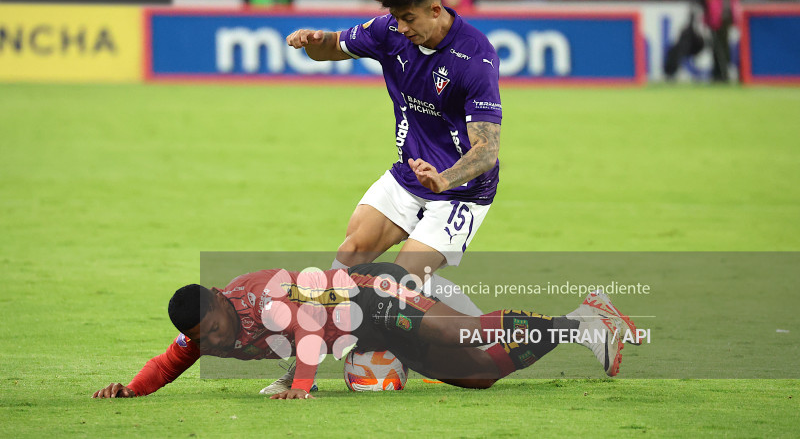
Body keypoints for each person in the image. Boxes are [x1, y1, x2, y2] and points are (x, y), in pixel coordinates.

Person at [281, 0, 502, 392]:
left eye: (408, 18)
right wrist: (313, 41)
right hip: (407, 175)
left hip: (459, 191)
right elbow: (333, 46)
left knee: (397, 288)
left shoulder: (475, 58)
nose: (400, 27)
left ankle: (488, 336)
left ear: (435, 9)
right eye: (395, 17)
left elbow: (488, 151)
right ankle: (304, 367)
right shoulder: (390, 31)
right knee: (350, 254)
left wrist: (444, 179)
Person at [92, 263, 641, 399]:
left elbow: (308, 330)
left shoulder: (259, 296)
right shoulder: (202, 332)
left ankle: (587, 324)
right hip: (364, 334)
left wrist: (300, 385)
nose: (214, 342)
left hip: (372, 294)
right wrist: (132, 390)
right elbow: (167, 362)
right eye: (204, 339)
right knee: (477, 377)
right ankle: (583, 318)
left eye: (213, 329)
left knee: (462, 333)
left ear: (219, 298)